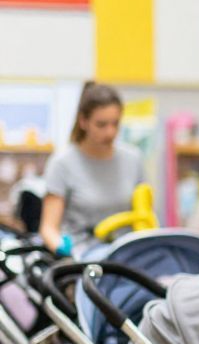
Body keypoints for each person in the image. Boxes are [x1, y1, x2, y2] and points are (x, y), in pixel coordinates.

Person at [40, 82, 141, 252]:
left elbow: (144, 213)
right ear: (83, 122)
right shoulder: (62, 164)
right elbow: (48, 228)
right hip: (83, 258)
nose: (110, 132)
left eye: (115, 123)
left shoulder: (133, 159)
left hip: (127, 255)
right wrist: (63, 251)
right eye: (101, 125)